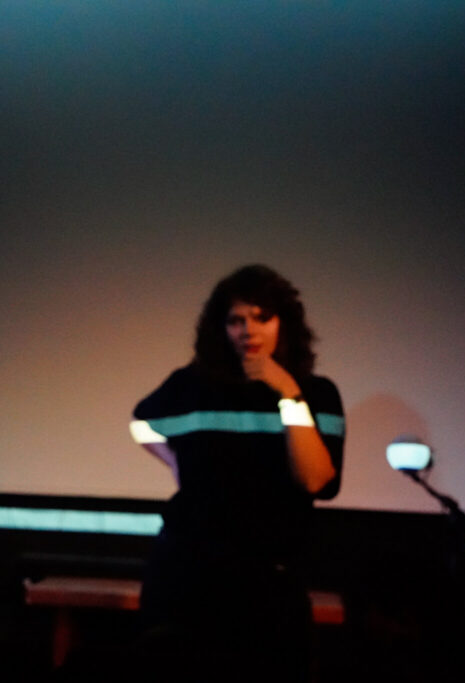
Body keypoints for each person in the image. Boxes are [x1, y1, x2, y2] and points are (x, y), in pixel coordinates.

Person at [129, 264, 345, 681]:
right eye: (236, 320)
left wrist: (288, 395)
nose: (248, 329)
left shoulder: (316, 393)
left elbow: (317, 480)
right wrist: (175, 460)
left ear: (285, 322)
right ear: (220, 327)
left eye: (261, 317)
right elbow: (140, 423)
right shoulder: (192, 384)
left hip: (267, 580)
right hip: (186, 571)